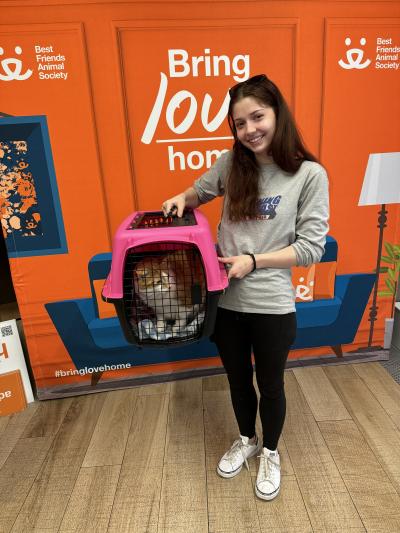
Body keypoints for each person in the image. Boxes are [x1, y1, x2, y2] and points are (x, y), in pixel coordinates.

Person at [162, 74, 329, 501]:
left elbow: (311, 248)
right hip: (225, 301)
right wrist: (181, 199)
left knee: (271, 385)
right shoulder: (230, 164)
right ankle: (246, 438)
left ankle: (269, 451)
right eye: (240, 123)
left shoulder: (308, 175)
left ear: (278, 114)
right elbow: (198, 192)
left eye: (258, 116)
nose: (250, 129)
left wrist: (253, 261)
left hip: (272, 304)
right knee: (238, 380)